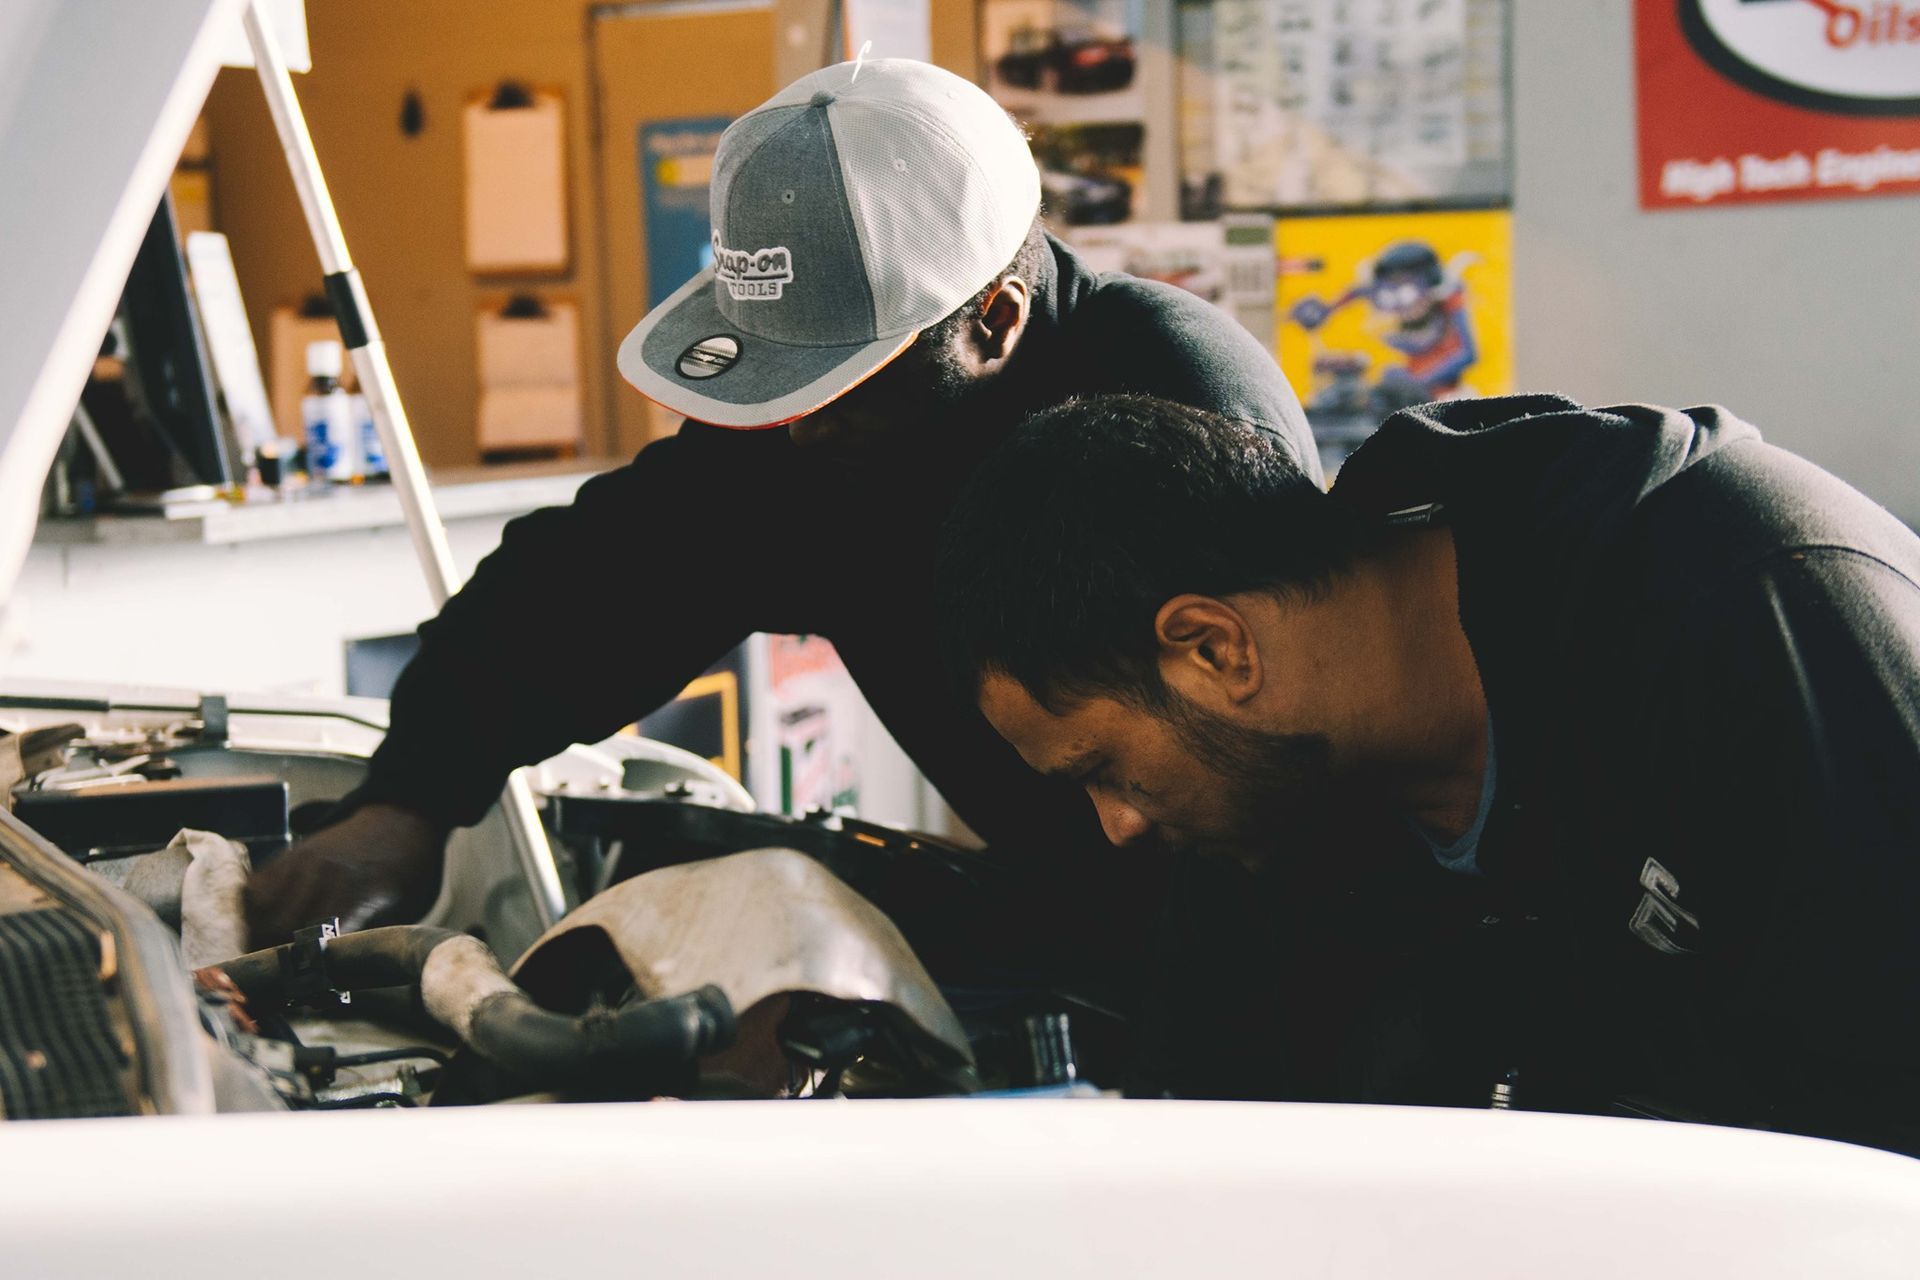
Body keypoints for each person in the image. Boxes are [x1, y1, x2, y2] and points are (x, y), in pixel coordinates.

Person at [242, 58, 1318, 1077]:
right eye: (779, 377)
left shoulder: (1179, 409)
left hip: (1268, 953)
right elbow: (594, 581)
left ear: (993, 319)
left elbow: (1279, 794)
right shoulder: (824, 439)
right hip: (1067, 912)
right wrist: (410, 797)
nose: (793, 430)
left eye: (838, 380)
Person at [935, 391, 1920, 1154]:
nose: (1116, 822)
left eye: (1103, 765)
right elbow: (1201, 1127)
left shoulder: (1747, 611)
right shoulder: (1275, 810)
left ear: (1214, 648)